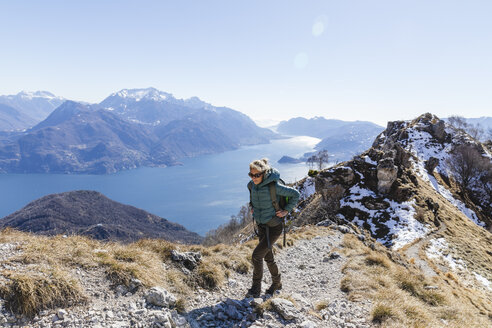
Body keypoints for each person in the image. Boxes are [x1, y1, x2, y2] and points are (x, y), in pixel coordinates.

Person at [246, 158, 300, 297]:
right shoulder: (251, 186)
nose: (254, 178)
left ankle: (255, 289)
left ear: (264, 173)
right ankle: (277, 282)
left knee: (257, 256)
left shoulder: (274, 186)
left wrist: (286, 211)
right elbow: (254, 200)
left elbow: (295, 194)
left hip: (274, 227)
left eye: (257, 175)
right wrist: (253, 208)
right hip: (262, 226)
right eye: (251, 175)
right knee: (268, 257)